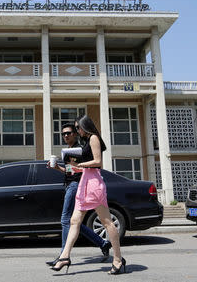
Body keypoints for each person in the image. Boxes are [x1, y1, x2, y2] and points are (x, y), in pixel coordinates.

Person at [51, 116, 126, 275]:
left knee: (107, 223)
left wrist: (79, 164)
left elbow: (98, 162)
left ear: (85, 126)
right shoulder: (85, 142)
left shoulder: (93, 138)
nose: (77, 131)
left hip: (93, 184)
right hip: (84, 182)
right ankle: (65, 256)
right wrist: (67, 167)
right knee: (74, 221)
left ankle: (118, 259)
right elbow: (81, 168)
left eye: (78, 128)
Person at [46, 123, 111, 267]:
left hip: (76, 185)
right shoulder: (68, 151)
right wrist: (57, 167)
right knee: (74, 222)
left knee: (65, 219)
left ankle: (63, 256)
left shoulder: (80, 149)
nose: (66, 136)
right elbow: (70, 171)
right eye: (63, 134)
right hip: (70, 184)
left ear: (75, 133)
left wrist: (77, 168)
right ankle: (103, 243)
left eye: (68, 133)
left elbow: (86, 168)